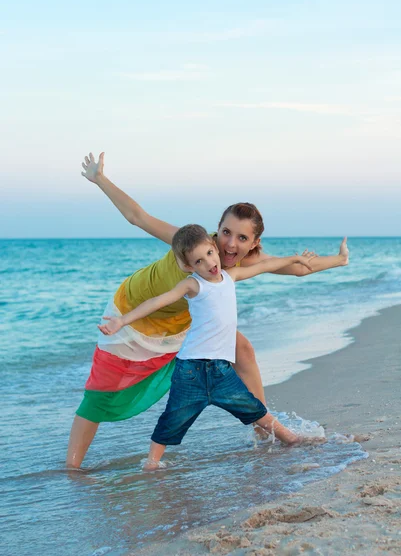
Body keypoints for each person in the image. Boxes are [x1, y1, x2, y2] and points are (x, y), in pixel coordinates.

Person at [66, 153, 348, 469]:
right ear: (217, 229)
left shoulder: (243, 263)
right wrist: (99, 178)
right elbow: (138, 217)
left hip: (182, 320)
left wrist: (338, 260)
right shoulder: (191, 243)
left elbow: (297, 268)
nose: (230, 244)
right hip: (134, 310)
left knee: (242, 349)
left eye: (242, 238)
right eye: (226, 232)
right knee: (103, 391)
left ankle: (262, 426)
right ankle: (72, 468)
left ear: (254, 243)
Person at [98, 224, 316, 469]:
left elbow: (265, 266)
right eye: (199, 261)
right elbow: (158, 301)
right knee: (173, 419)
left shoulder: (231, 276)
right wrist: (122, 320)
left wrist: (296, 258)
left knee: (254, 409)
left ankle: (292, 440)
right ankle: (151, 463)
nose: (209, 263)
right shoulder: (192, 285)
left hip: (221, 371)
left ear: (215, 248)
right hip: (191, 372)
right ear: (189, 267)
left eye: (210, 254)